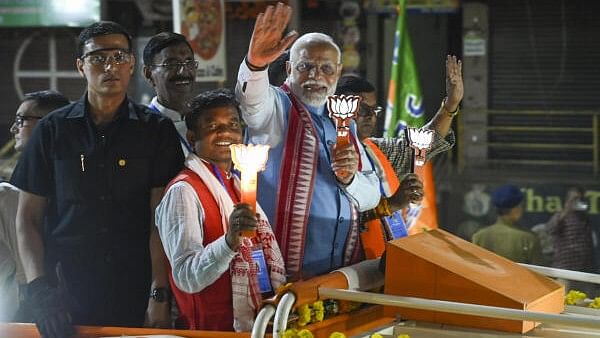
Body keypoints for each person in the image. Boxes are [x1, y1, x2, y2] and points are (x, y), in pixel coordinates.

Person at [10, 21, 183, 338]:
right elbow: (27, 219)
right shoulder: (52, 131)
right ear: (80, 66)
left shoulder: (156, 131)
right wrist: (41, 292)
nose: (110, 66)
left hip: (135, 287)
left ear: (131, 64)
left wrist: (159, 293)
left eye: (119, 56)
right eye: (98, 57)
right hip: (65, 291)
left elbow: (159, 221)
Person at [235, 3, 381, 279]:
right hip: (286, 276)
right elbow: (252, 103)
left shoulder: (344, 120)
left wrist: (351, 179)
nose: (315, 75)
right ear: (289, 68)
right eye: (306, 66)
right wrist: (255, 65)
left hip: (343, 271)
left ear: (338, 72)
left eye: (326, 68)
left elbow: (371, 196)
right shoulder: (276, 106)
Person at [155, 89, 285, 331]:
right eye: (212, 125)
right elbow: (186, 276)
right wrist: (228, 243)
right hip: (211, 329)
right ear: (193, 138)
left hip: (256, 323)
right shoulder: (184, 191)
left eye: (233, 124)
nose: (225, 132)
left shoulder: (237, 182)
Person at [335, 73, 460, 257]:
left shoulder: (375, 150)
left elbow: (425, 143)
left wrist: (450, 104)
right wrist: (391, 204)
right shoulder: (325, 153)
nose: (371, 116)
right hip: (344, 266)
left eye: (374, 110)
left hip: (383, 262)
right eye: (362, 109)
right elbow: (336, 219)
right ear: (338, 108)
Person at [0, 90, 69, 321]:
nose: (13, 129)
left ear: (50, 122)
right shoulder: (10, 192)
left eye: (21, 120)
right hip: (27, 303)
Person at [143, 31, 197, 156]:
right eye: (171, 64)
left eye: (189, 62)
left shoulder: (203, 121)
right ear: (148, 73)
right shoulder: (142, 128)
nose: (183, 72)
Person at [472, 185, 543, 265]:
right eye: (521, 206)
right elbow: (540, 273)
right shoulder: (528, 239)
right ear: (516, 209)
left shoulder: (479, 237)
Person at [547, 187, 595, 293]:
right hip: (564, 271)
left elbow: (589, 244)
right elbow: (550, 229)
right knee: (560, 302)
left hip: (583, 273)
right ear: (567, 200)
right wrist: (566, 210)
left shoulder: (584, 218)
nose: (577, 202)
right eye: (574, 199)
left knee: (586, 305)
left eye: (580, 199)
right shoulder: (560, 216)